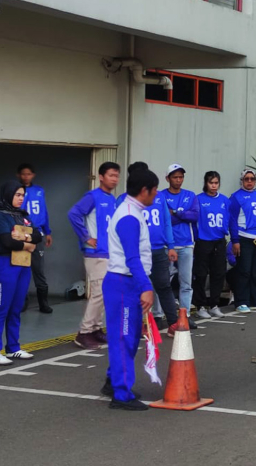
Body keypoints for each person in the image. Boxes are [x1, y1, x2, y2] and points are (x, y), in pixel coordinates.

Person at [100, 169, 158, 411]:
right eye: (154, 191)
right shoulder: (128, 217)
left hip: (127, 282)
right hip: (124, 283)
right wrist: (146, 287)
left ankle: (113, 382)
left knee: (130, 337)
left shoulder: (132, 211)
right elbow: (132, 257)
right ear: (144, 191)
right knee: (124, 338)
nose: (156, 195)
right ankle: (121, 395)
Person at [117, 163, 180, 337]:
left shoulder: (158, 198)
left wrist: (171, 246)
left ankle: (173, 323)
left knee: (164, 286)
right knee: (136, 289)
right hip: (135, 253)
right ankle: (138, 325)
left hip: (158, 250)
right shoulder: (123, 201)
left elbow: (166, 222)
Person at [0, 181, 42, 365]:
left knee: (16, 307)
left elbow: (38, 235)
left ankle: (13, 348)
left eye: (22, 195)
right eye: (17, 195)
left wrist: (24, 236)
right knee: (1, 307)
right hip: (4, 263)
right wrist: (28, 243)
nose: (21, 198)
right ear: (8, 195)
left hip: (23, 264)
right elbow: (7, 242)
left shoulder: (22, 215)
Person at [68, 162, 120, 350]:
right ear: (101, 177)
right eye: (111, 175)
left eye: (117, 176)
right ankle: (84, 332)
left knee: (105, 292)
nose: (114, 179)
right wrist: (86, 237)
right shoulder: (92, 197)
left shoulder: (112, 199)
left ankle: (96, 328)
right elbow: (73, 213)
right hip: (95, 253)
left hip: (108, 252)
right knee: (99, 292)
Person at [160, 164, 199, 326]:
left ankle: (185, 314)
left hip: (186, 244)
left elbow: (195, 216)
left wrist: (176, 213)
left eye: (181, 177)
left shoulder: (190, 195)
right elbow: (164, 219)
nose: (178, 180)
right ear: (168, 178)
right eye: (175, 177)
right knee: (163, 282)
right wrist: (183, 215)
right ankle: (160, 315)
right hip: (166, 245)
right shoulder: (161, 196)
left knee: (186, 282)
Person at [229, 169, 256, 313]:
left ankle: (254, 299)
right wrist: (235, 240)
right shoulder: (236, 197)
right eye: (246, 179)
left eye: (252, 179)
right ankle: (241, 300)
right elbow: (232, 220)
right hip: (244, 237)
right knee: (244, 270)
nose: (249, 181)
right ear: (242, 180)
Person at [192, 171, 230, 319]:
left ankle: (214, 304)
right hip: (203, 241)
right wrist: (196, 238)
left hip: (219, 240)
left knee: (219, 273)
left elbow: (229, 218)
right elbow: (195, 221)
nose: (214, 186)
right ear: (206, 183)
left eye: (216, 183)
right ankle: (200, 305)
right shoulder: (198, 199)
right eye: (211, 183)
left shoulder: (225, 200)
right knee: (201, 274)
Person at [18, 163, 53, 314]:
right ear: (18, 175)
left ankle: (43, 303)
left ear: (33, 175)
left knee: (38, 268)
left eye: (29, 174)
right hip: (22, 231)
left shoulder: (39, 191)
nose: (26, 177)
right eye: (23, 174)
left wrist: (48, 231)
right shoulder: (16, 191)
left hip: (37, 233)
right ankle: (22, 302)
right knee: (21, 268)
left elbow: (44, 212)